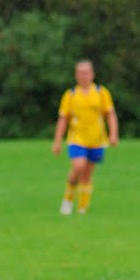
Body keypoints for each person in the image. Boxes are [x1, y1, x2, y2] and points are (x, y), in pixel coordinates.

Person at [51, 59, 118, 215]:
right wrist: (57, 141)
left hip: (96, 140)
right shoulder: (71, 95)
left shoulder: (101, 93)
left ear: (92, 74)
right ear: (76, 75)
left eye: (86, 72)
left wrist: (113, 134)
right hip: (77, 139)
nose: (83, 76)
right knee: (78, 167)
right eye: (80, 73)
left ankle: (82, 208)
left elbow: (110, 115)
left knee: (87, 174)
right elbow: (63, 119)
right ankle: (68, 199)